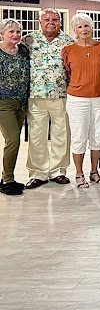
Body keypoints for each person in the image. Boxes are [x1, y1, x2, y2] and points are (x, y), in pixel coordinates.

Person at [22, 8, 74, 189]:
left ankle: (59, 171)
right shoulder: (28, 40)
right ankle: (38, 173)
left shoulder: (68, 41)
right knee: (36, 136)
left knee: (61, 134)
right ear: (40, 22)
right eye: (47, 20)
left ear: (60, 22)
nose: (51, 22)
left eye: (55, 19)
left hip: (62, 95)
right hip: (36, 95)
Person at [62, 13, 100, 188]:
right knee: (79, 137)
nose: (83, 29)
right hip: (77, 99)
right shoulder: (68, 50)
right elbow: (68, 72)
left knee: (98, 135)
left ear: (92, 28)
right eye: (79, 27)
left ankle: (94, 171)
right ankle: (78, 173)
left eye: (86, 26)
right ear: (74, 30)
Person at [0, 19, 30, 196]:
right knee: (13, 140)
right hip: (3, 102)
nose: (16, 35)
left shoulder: (24, 51)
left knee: (13, 141)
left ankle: (6, 177)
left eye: (18, 31)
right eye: (11, 31)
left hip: (21, 102)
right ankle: (8, 181)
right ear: (2, 34)